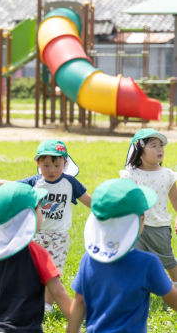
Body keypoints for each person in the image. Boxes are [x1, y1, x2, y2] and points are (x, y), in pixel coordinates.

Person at [0, 182, 73, 332]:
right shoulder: (37, 253)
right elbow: (58, 292)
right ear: (27, 218)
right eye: (38, 209)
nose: (41, 213)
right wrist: (74, 322)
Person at [67, 178, 177, 333]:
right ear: (140, 220)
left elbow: (79, 302)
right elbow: (173, 300)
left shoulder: (89, 259)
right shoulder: (147, 263)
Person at [19, 139, 91, 311]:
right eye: (46, 165)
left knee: (53, 271)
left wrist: (110, 210)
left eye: (57, 165)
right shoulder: (33, 183)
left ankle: (47, 305)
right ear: (38, 163)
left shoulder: (70, 183)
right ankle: (32, 300)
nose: (51, 170)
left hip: (59, 237)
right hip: (36, 235)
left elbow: (89, 201)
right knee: (33, 271)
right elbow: (12, 190)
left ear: (65, 164)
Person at [120, 128, 177, 284]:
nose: (160, 149)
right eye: (154, 145)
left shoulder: (167, 174)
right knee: (135, 259)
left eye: (161, 145)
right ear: (140, 150)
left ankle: (175, 284)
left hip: (159, 226)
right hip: (136, 227)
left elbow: (175, 200)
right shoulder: (130, 175)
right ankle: (138, 287)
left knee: (167, 259)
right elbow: (125, 201)